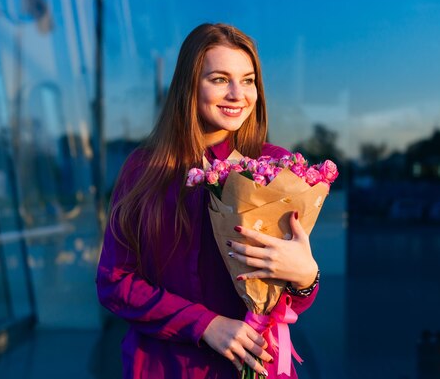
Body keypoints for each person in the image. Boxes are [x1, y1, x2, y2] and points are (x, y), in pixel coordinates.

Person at [96, 23, 320, 379]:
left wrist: (306, 276)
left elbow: (290, 297)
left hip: (254, 363)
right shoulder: (143, 170)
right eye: (219, 79)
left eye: (248, 81)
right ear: (189, 85)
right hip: (164, 367)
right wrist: (205, 325)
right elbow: (115, 282)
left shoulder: (275, 168)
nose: (237, 94)